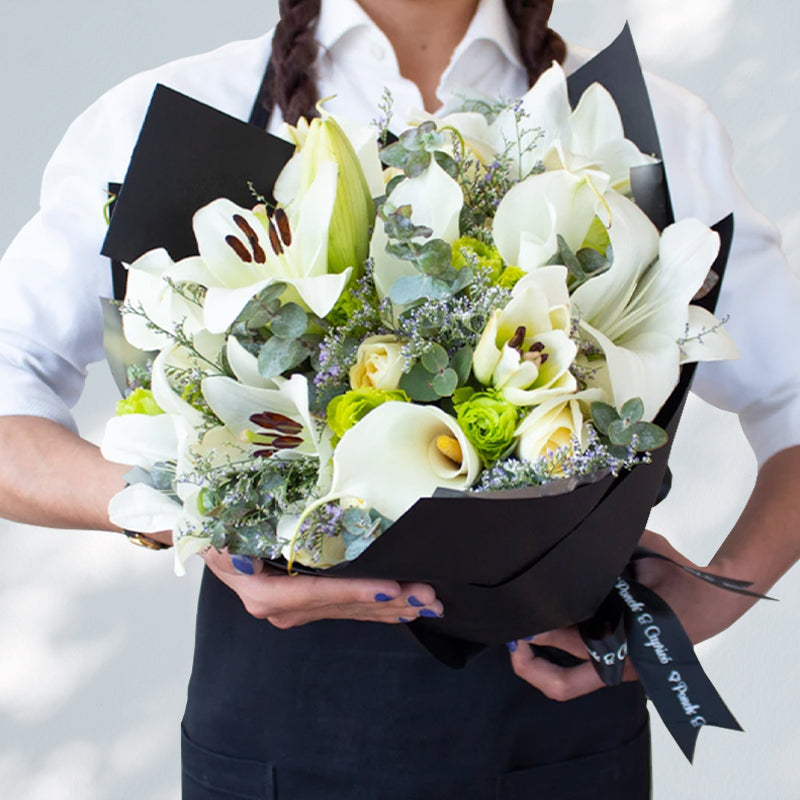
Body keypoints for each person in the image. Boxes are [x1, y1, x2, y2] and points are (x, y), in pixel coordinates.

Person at [1, 0, 799, 797]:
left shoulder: (643, 126)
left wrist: (723, 588)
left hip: (559, 753)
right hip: (276, 753)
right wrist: (198, 510)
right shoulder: (167, 118)